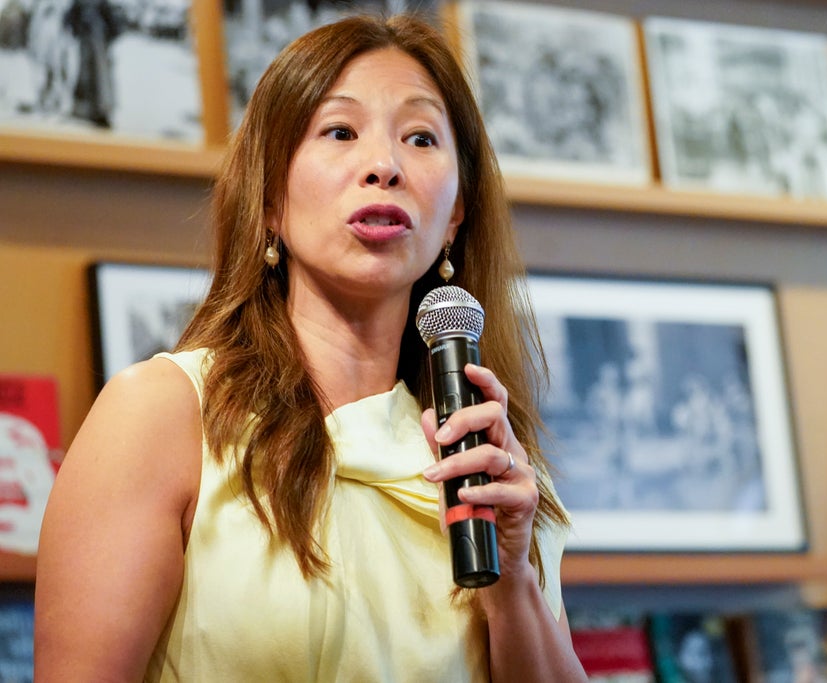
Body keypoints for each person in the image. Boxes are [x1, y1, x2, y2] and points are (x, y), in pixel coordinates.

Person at [33, 13, 587, 682]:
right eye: (341, 132)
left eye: (420, 138)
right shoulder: (161, 414)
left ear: (456, 214)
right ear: (270, 199)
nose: (384, 166)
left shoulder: (492, 463)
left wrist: (512, 580)